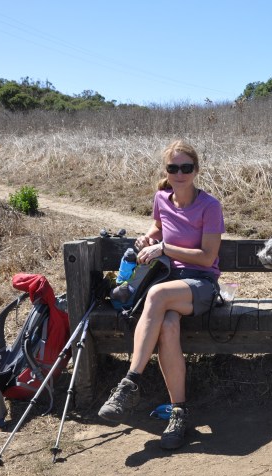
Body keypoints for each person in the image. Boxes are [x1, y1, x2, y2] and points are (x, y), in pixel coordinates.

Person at [98, 140, 225, 450]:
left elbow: (208, 258)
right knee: (167, 327)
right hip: (171, 282)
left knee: (155, 296)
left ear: (196, 170)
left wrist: (165, 248)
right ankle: (179, 412)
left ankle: (130, 383)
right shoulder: (161, 199)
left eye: (186, 168)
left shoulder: (210, 205)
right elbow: (158, 226)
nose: (179, 174)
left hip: (201, 284)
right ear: (166, 171)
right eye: (173, 168)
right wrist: (149, 238)